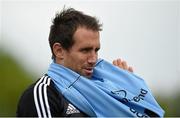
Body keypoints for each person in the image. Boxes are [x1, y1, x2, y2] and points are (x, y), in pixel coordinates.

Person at [16, 8, 164, 117]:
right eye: (85, 50)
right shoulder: (43, 94)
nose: (94, 59)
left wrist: (126, 97)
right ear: (59, 51)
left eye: (96, 50)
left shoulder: (107, 89)